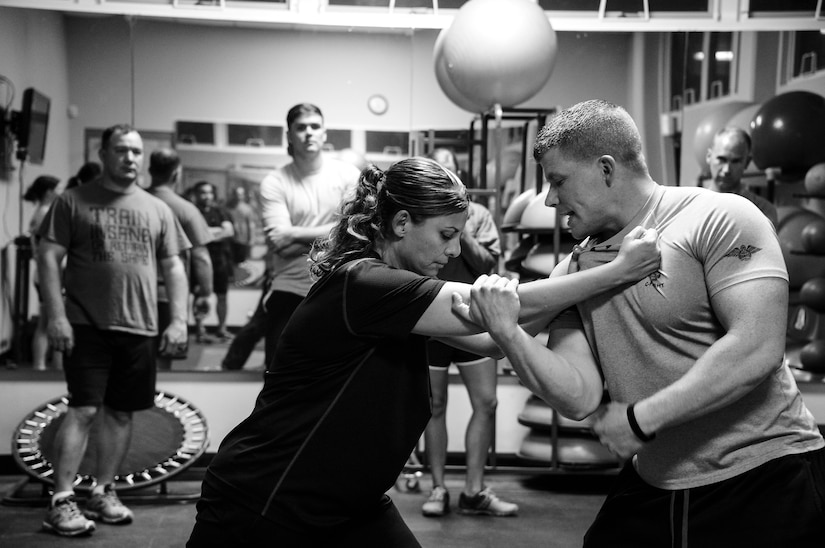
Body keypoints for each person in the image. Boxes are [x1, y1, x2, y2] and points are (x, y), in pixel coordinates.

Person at [185, 156, 660, 548]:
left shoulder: (402, 298)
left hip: (351, 503)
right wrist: (616, 271)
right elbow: (485, 309)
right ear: (401, 222)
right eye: (446, 235)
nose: (455, 252)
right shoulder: (363, 283)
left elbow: (492, 338)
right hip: (268, 500)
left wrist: (573, 265)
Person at [454, 100, 825, 547]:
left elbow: (757, 347)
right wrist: (506, 333)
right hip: (656, 478)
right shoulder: (579, 267)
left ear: (606, 169)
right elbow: (577, 393)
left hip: (763, 474)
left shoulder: (718, 217)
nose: (551, 200)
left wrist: (640, 419)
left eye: (557, 181)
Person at [37, 123, 191, 537]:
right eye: (121, 150)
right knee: (84, 409)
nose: (130, 158)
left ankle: (103, 491)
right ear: (103, 154)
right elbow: (48, 258)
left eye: (136, 152)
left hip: (139, 326)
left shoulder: (157, 208)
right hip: (86, 323)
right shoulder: (72, 201)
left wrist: (178, 320)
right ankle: (62, 499)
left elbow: (174, 266)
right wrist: (55, 315)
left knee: (121, 413)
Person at [419, 148, 515, 518]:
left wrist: (460, 228)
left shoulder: (479, 216)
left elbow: (489, 263)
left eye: (451, 166)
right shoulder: (423, 217)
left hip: (473, 316)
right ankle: (439, 488)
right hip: (430, 319)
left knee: (487, 402)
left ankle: (474, 491)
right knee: (433, 407)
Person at [257, 103, 360, 366]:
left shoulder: (347, 175)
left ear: (324, 133)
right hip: (288, 289)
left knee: (330, 381)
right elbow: (279, 241)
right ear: (289, 135)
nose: (309, 133)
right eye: (301, 128)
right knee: (278, 379)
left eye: (315, 126)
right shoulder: (275, 182)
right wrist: (336, 231)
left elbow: (356, 228)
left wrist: (295, 235)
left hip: (336, 287)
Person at [147, 148, 215, 370]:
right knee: (163, 360)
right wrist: (205, 293)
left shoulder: (137, 202)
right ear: (177, 173)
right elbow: (201, 256)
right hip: (169, 295)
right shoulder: (186, 209)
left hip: (134, 293)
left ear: (149, 170)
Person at [23, 175, 62, 371]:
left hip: (45, 275)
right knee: (47, 323)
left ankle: (56, 366)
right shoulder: (45, 214)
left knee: (50, 323)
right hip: (47, 276)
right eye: (57, 189)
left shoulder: (42, 212)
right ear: (49, 192)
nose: (60, 193)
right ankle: (39, 367)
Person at [705, 126, 778, 227]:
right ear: (709, 156)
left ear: (747, 162)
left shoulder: (762, 211)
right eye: (722, 159)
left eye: (735, 161)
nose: (726, 170)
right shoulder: (692, 206)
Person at [191, 180, 235, 342]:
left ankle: (222, 329)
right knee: (199, 295)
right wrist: (217, 232)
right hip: (200, 261)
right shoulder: (193, 212)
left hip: (220, 261)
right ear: (196, 194)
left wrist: (204, 234)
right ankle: (200, 329)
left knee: (222, 296)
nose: (207, 196)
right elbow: (192, 234)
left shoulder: (220, 211)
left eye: (209, 192)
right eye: (203, 192)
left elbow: (229, 231)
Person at [225, 185, 258, 278]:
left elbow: (251, 224)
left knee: (241, 259)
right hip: (230, 237)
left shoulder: (247, 208)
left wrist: (252, 238)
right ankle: (233, 276)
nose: (238, 196)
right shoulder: (229, 207)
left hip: (243, 237)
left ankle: (240, 276)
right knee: (231, 257)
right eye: (236, 194)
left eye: (240, 194)